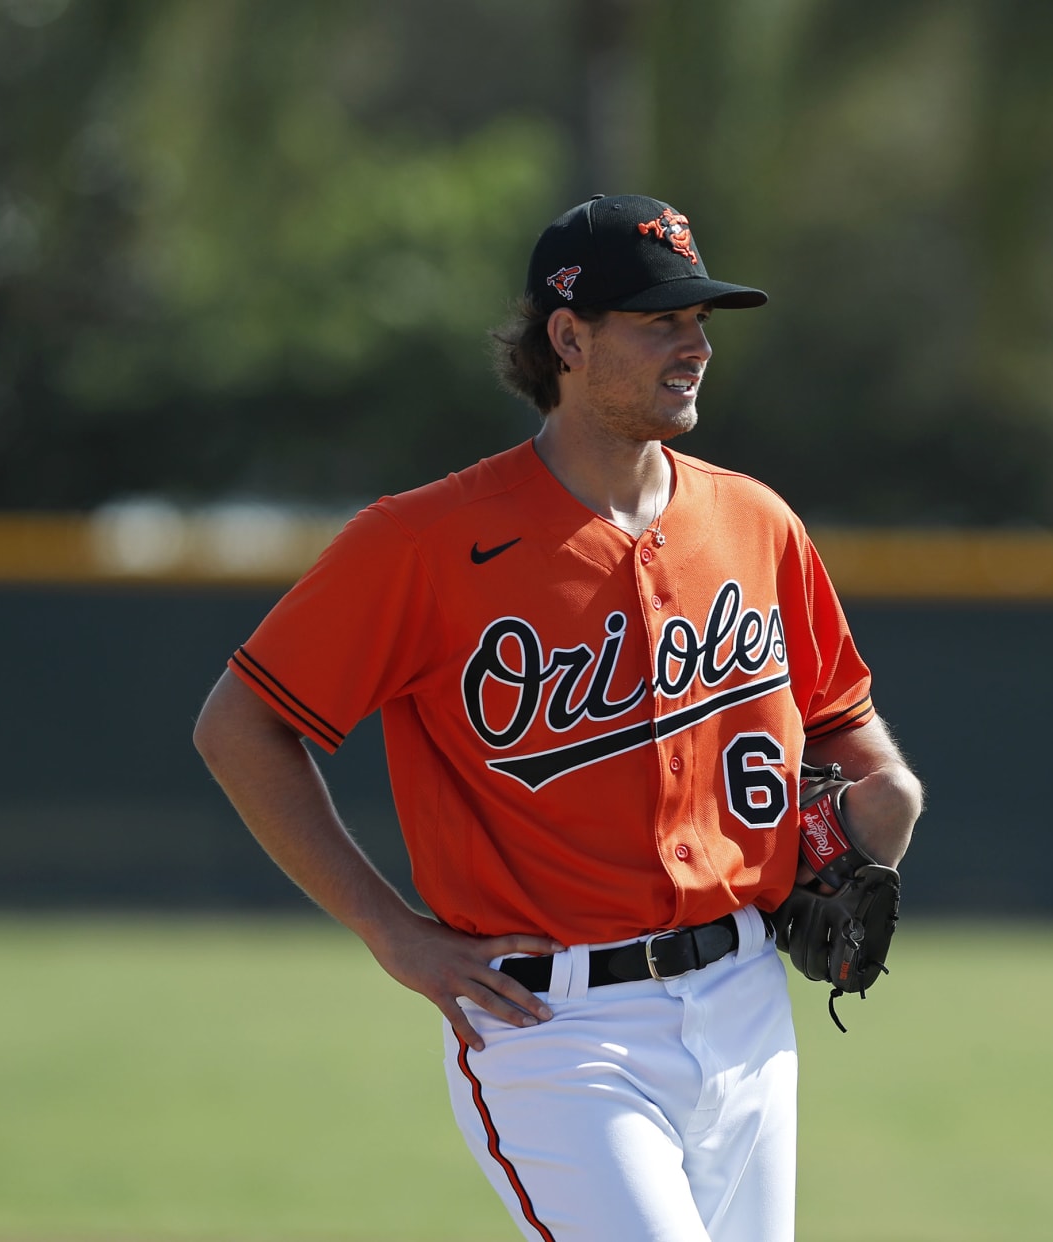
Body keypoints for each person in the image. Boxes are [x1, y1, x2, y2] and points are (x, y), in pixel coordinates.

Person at [192, 193, 923, 1242]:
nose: (694, 345)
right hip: (558, 1027)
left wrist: (886, 791)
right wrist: (390, 931)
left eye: (699, 320)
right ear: (567, 338)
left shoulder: (757, 523)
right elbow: (241, 724)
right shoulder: (425, 541)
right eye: (659, 320)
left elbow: (844, 720)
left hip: (749, 1006)